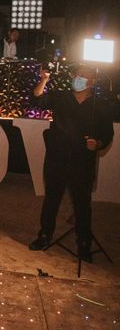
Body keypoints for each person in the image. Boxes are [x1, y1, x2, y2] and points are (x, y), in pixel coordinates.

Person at [28, 65, 114, 261]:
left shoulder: (100, 106)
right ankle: (44, 236)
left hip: (82, 162)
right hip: (56, 158)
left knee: (82, 204)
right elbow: (37, 100)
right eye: (76, 75)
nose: (78, 78)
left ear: (92, 81)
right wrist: (44, 80)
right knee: (51, 199)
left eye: (83, 76)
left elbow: (108, 135)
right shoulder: (61, 97)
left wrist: (97, 143)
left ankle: (84, 244)